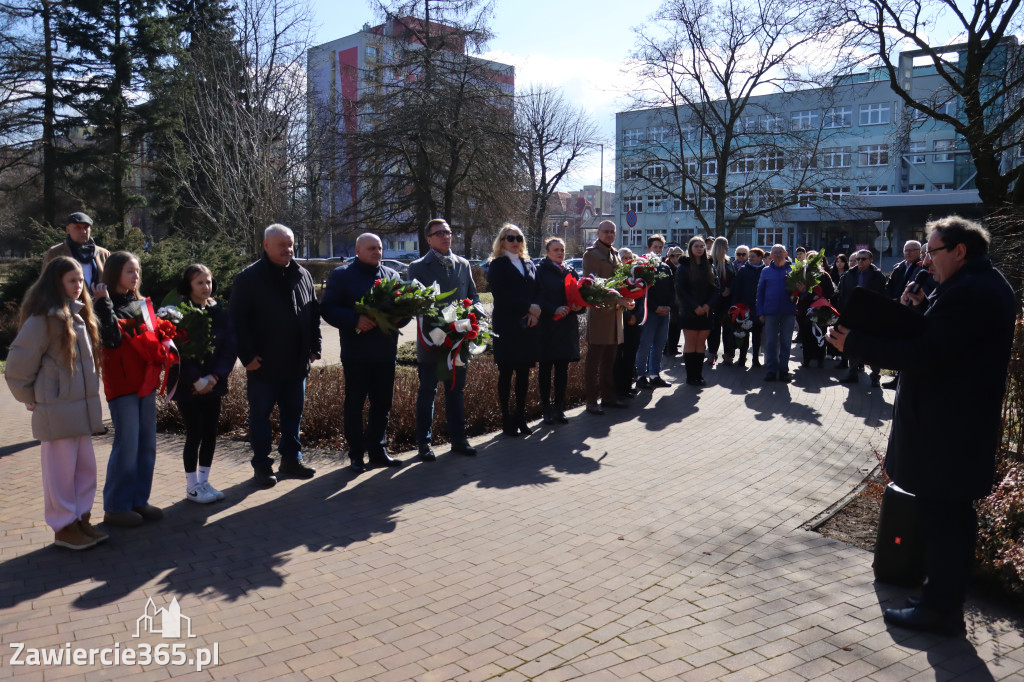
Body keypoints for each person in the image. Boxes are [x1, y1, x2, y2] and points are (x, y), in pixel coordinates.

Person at [827, 216, 1016, 636]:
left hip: (949, 429)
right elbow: (941, 339)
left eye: (932, 252)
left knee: (943, 521)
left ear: (960, 251)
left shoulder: (972, 292)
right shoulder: (974, 285)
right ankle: (940, 599)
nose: (927, 262)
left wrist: (853, 344)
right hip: (954, 425)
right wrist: (914, 313)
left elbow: (930, 354)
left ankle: (940, 612)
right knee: (949, 518)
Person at [6, 257, 107, 549]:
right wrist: (31, 400)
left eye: (80, 280)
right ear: (56, 283)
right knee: (60, 474)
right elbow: (17, 368)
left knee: (84, 469)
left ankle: (81, 520)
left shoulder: (78, 315)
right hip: (56, 410)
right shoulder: (43, 320)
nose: (78, 286)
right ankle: (64, 527)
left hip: (79, 410)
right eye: (71, 281)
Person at [231, 224, 321, 487]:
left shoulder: (302, 275)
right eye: (282, 245)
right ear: (266, 245)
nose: (288, 249)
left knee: (293, 414)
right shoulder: (248, 278)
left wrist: (314, 346)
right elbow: (237, 322)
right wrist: (248, 357)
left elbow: (312, 313)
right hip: (264, 365)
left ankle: (291, 459)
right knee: (261, 416)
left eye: (291, 244)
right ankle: (262, 466)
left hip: (296, 363)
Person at [321, 233, 406, 471]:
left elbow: (404, 309)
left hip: (385, 352)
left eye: (379, 248)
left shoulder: (392, 275)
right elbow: (328, 308)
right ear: (357, 250)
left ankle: (378, 450)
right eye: (371, 248)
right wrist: (354, 319)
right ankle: (356, 454)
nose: (377, 252)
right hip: (356, 353)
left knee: (382, 404)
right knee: (355, 404)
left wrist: (401, 318)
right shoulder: (342, 275)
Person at [93, 251, 164, 526]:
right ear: (114, 274)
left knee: (147, 445)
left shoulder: (142, 304)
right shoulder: (103, 304)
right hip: (122, 385)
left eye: (137, 271)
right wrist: (103, 304)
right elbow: (110, 339)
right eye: (129, 272)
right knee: (127, 444)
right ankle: (116, 506)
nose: (135, 276)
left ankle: (138, 500)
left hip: (145, 382)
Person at [408, 219, 480, 460]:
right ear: (428, 239)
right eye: (438, 233)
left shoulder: (463, 264)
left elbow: (474, 298)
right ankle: (424, 444)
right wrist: (440, 327)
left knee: (456, 391)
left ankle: (458, 440)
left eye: (448, 232)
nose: (445, 236)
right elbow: (417, 304)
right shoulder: (417, 267)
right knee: (427, 391)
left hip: (459, 342)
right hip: (433, 341)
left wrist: (474, 316)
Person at [169, 264, 237, 504]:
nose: (206, 287)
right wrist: (196, 379)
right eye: (200, 283)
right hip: (189, 385)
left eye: (208, 282)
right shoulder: (178, 313)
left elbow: (229, 348)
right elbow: (178, 352)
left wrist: (214, 377)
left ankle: (205, 481)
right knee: (194, 433)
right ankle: (191, 486)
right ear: (189, 286)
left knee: (210, 433)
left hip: (213, 383)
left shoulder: (220, 313)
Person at [486, 224, 541, 436]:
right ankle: (506, 420)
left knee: (524, 374)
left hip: (528, 325)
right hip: (507, 326)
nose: (515, 242)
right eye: (510, 238)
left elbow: (538, 290)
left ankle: (520, 417)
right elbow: (501, 294)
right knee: (506, 373)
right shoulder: (498, 264)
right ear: (502, 241)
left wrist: (535, 312)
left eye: (519, 237)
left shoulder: (529, 263)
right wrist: (528, 307)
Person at [582, 220, 633, 414]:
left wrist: (628, 298)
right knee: (594, 360)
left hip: (615, 315)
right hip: (600, 313)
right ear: (598, 233)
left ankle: (608, 397)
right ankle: (591, 401)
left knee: (609, 360)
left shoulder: (615, 253)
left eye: (613, 231)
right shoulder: (592, 255)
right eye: (606, 231)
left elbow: (619, 283)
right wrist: (619, 299)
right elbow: (593, 286)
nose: (610, 234)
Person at [536, 237, 582, 424]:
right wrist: (553, 309)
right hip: (547, 327)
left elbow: (579, 295)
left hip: (566, 327)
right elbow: (536, 296)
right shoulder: (540, 270)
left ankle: (559, 408)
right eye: (555, 250)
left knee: (562, 370)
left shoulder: (570, 271)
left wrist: (580, 306)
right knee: (546, 370)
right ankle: (546, 408)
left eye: (562, 250)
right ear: (547, 252)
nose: (560, 253)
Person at [836, 249, 887, 386]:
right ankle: (852, 373)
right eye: (857, 259)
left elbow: (883, 296)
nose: (859, 262)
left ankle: (875, 376)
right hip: (853, 316)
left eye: (863, 259)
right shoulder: (849, 275)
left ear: (871, 260)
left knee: (873, 347)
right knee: (852, 344)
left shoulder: (878, 276)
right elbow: (842, 295)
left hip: (872, 317)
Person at [676, 236, 720, 386]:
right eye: (696, 246)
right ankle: (690, 376)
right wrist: (695, 306)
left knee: (701, 344)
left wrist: (708, 305)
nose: (700, 249)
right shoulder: (684, 266)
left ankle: (698, 375)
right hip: (689, 311)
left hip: (706, 312)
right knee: (690, 343)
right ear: (690, 248)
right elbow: (680, 289)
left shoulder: (710, 266)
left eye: (702, 246)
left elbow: (716, 289)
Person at [881, 240, 927, 388]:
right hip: (897, 308)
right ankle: (897, 378)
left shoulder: (921, 269)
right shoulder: (899, 267)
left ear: (919, 252)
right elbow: (889, 287)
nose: (908, 253)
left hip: (912, 310)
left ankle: (902, 379)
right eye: (905, 250)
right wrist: (892, 300)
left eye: (912, 250)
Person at [635, 236, 673, 389]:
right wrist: (655, 307)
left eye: (660, 247)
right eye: (655, 247)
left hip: (665, 312)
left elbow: (672, 289)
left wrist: (669, 306)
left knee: (659, 345)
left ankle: (655, 374)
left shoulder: (666, 267)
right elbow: (642, 293)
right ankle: (640, 376)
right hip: (649, 312)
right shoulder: (643, 267)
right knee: (645, 345)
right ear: (648, 248)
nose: (658, 250)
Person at [756, 244, 796, 382]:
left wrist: (802, 290)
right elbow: (760, 293)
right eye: (775, 253)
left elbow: (801, 294)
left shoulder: (793, 270)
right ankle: (771, 370)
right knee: (771, 342)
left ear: (785, 254)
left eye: (780, 252)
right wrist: (760, 312)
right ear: (771, 255)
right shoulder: (766, 271)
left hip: (788, 312)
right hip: (770, 312)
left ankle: (784, 370)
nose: (778, 255)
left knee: (786, 342)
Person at [43, 212, 110, 290]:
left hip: (98, 301)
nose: (83, 231)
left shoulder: (103, 254)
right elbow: (46, 283)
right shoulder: (55, 253)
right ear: (68, 230)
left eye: (86, 227)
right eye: (78, 227)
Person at [794, 251, 835, 368]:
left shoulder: (825, 275)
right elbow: (798, 292)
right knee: (806, 336)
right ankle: (807, 359)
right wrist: (806, 295)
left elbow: (831, 292)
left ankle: (820, 359)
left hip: (821, 310)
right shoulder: (803, 274)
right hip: (805, 309)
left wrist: (821, 297)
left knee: (820, 334)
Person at [614, 248, 644, 399]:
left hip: (635, 324)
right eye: (624, 258)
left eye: (630, 258)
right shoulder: (616, 278)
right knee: (618, 357)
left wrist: (636, 316)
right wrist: (628, 317)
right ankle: (618, 388)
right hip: (621, 322)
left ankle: (627, 386)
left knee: (631, 356)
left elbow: (640, 299)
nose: (627, 260)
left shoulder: (637, 276)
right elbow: (616, 299)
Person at [732, 246, 764, 368]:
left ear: (760, 257)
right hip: (745, 307)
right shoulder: (743, 270)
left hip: (759, 308)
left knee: (757, 335)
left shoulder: (764, 270)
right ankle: (742, 357)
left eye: (753, 257)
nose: (750, 259)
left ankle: (755, 358)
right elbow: (737, 289)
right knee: (743, 334)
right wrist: (735, 305)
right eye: (749, 257)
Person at [706, 236, 736, 367]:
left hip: (728, 300)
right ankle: (712, 353)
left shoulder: (729, 262)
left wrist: (730, 289)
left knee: (729, 329)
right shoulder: (710, 262)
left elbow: (735, 278)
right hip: (715, 300)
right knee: (714, 329)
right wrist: (722, 289)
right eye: (726, 245)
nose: (728, 248)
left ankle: (728, 354)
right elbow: (709, 281)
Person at [662, 246, 684, 357]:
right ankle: (667, 348)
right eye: (678, 256)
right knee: (670, 326)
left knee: (677, 325)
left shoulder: (680, 267)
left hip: (679, 301)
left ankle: (674, 347)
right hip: (670, 300)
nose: (680, 258)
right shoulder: (667, 267)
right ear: (672, 256)